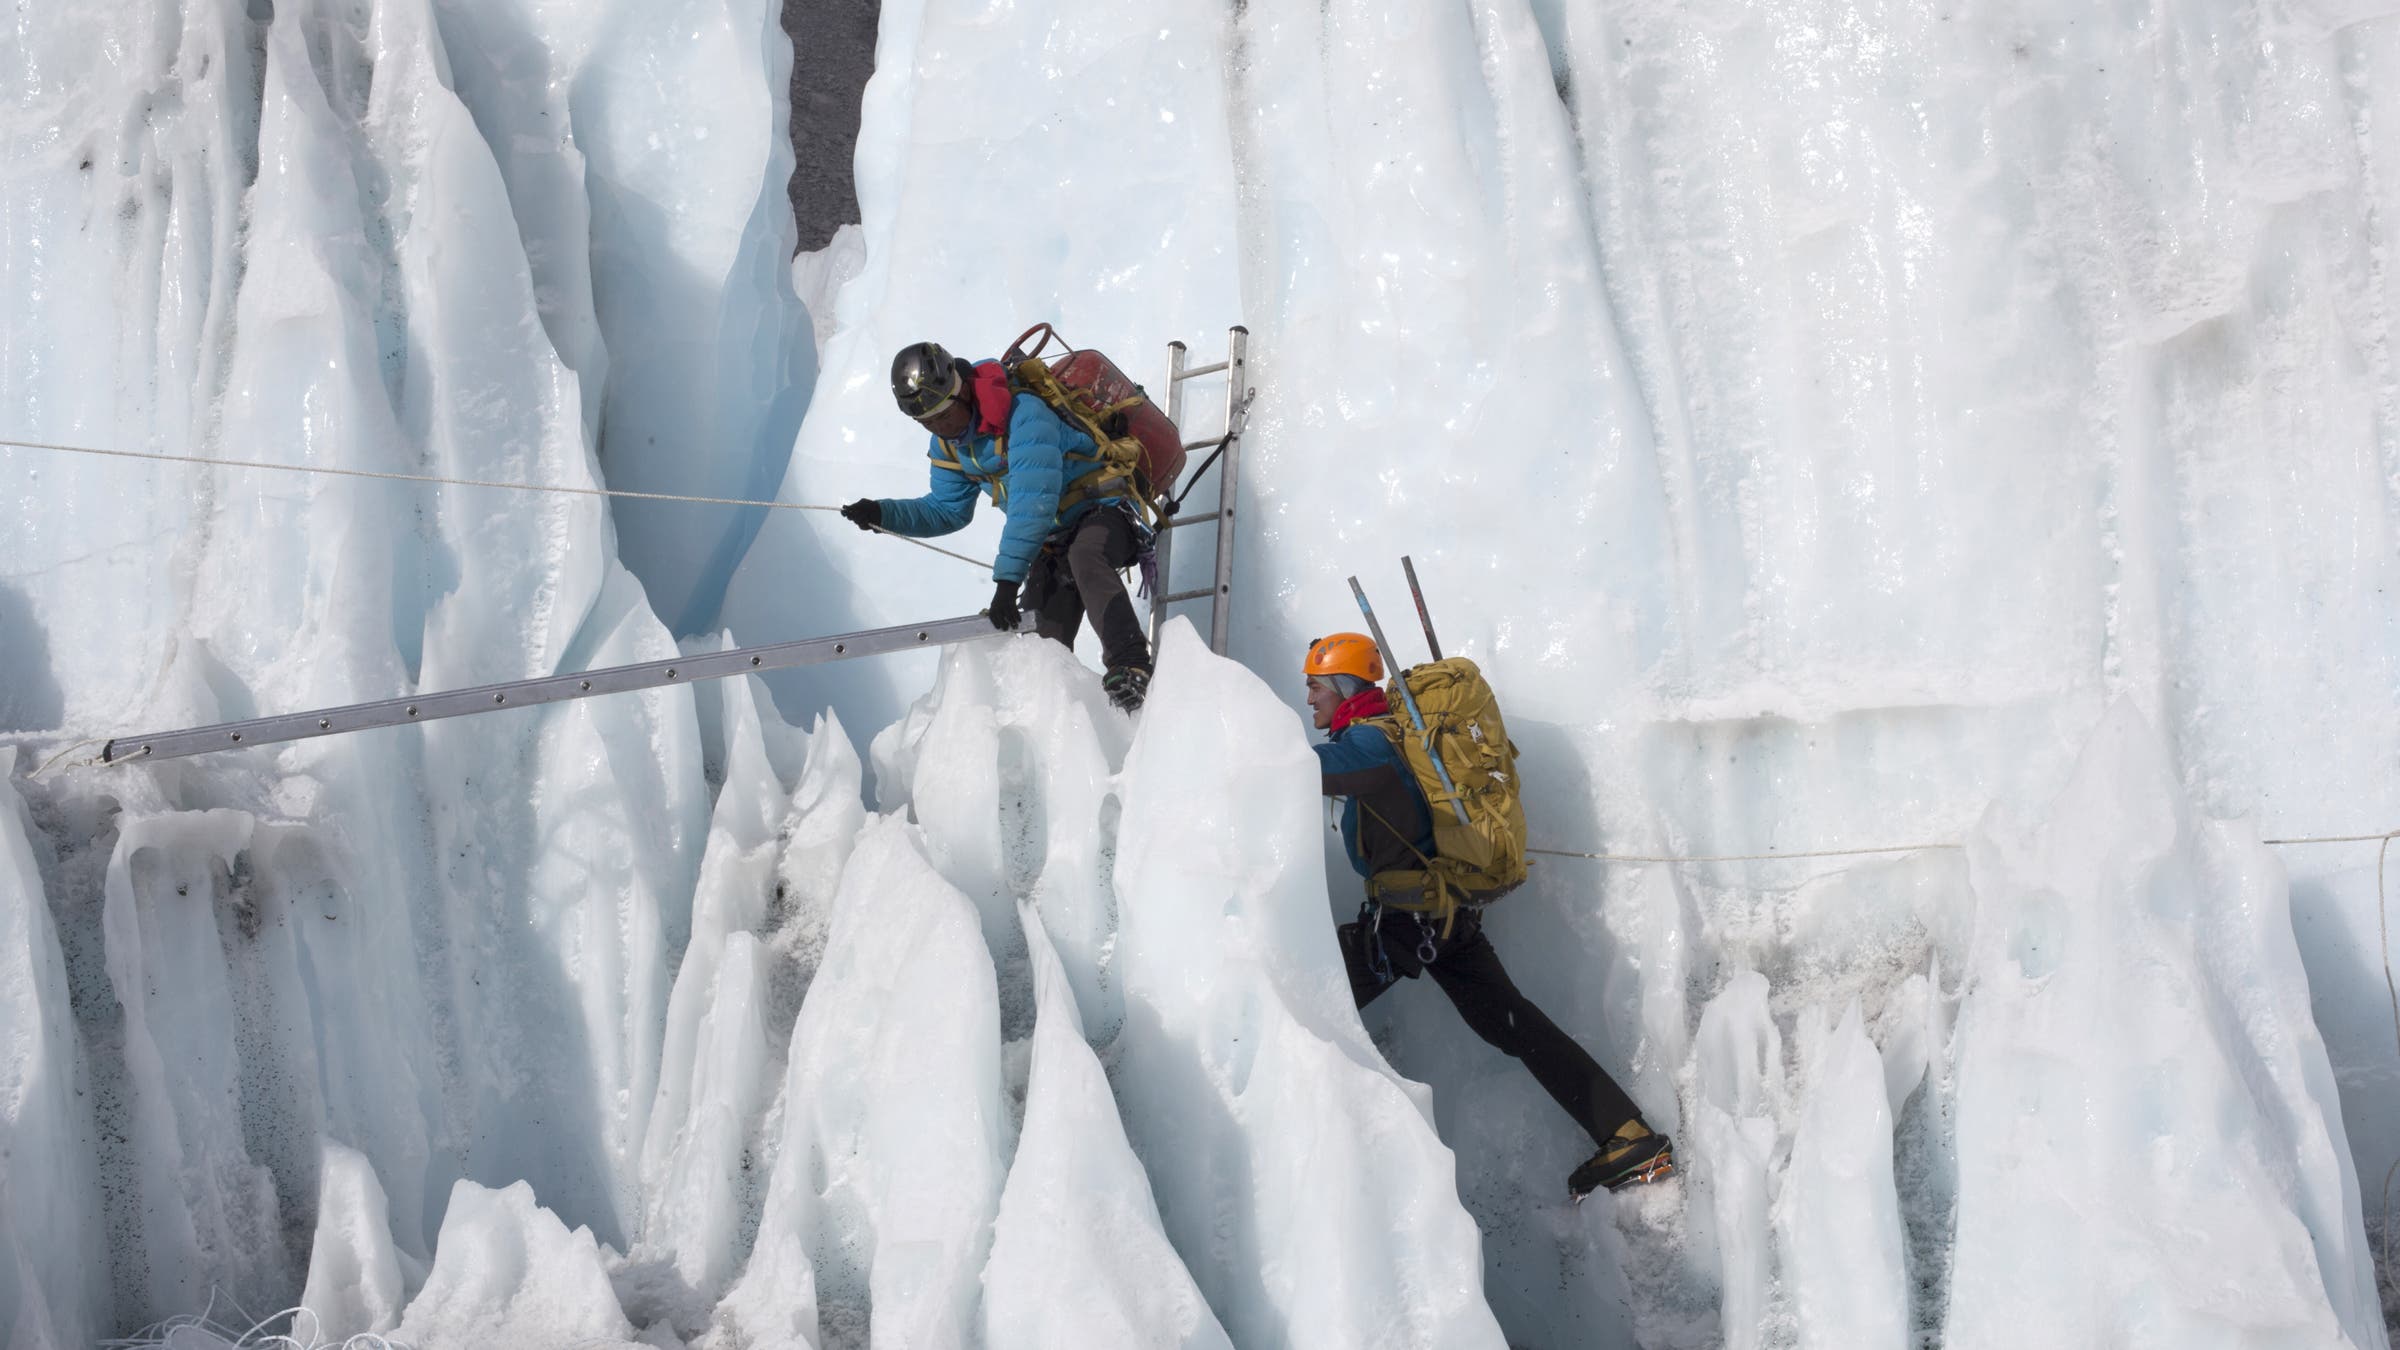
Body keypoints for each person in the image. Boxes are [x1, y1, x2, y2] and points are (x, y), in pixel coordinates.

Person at [1303, 632, 1674, 1198]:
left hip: (1406, 927)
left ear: (1344, 687)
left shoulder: (1370, 744)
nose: (1309, 699)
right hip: (1445, 921)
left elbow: (1297, 767)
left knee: (1303, 1001)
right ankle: (1628, 1135)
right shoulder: (1396, 735)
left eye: (1316, 687)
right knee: (1514, 1024)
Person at [842, 341, 1154, 711]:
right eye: (928, 423)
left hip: (1104, 509)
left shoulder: (1025, 415)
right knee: (1039, 640)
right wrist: (882, 514)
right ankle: (1055, 718)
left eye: (943, 417)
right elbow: (947, 510)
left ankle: (1131, 664)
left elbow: (1032, 503)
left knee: (1086, 556)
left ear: (961, 393)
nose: (941, 429)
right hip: (1052, 539)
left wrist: (1007, 583)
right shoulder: (951, 445)